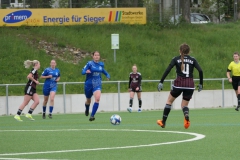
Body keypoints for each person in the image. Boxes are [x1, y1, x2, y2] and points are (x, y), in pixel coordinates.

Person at [157, 43, 203, 129]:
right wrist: (201, 84)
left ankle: (163, 122)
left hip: (179, 84)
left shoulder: (175, 59)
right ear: (189, 51)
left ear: (180, 51)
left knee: (169, 101)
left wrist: (161, 82)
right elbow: (200, 70)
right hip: (190, 85)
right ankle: (186, 115)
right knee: (184, 106)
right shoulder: (193, 59)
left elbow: (168, 70)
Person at [82, 51, 110, 121]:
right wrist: (85, 71)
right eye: (95, 55)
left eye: (98, 55)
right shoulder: (89, 63)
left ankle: (92, 115)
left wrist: (107, 75)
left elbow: (103, 71)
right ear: (93, 56)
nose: (97, 56)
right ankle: (87, 109)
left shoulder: (101, 64)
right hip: (88, 84)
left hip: (97, 84)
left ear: (99, 57)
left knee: (97, 98)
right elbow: (82, 71)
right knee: (88, 101)